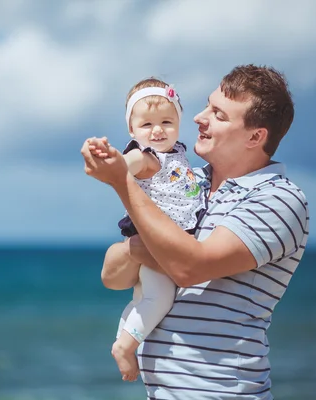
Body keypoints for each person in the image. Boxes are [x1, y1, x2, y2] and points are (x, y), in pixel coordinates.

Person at [81, 64, 309, 400]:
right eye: (206, 105)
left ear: (255, 136)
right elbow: (112, 276)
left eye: (218, 113)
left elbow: (191, 268)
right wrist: (140, 246)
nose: (200, 118)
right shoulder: (187, 183)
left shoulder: (278, 199)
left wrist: (122, 182)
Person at [90, 77, 203, 382]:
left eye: (167, 121)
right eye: (147, 125)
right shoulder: (150, 156)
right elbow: (130, 163)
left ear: (179, 123)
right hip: (156, 242)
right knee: (160, 299)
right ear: (132, 130)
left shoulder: (178, 154)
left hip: (167, 243)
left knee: (144, 299)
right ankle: (126, 347)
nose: (157, 130)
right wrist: (113, 164)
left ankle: (122, 340)